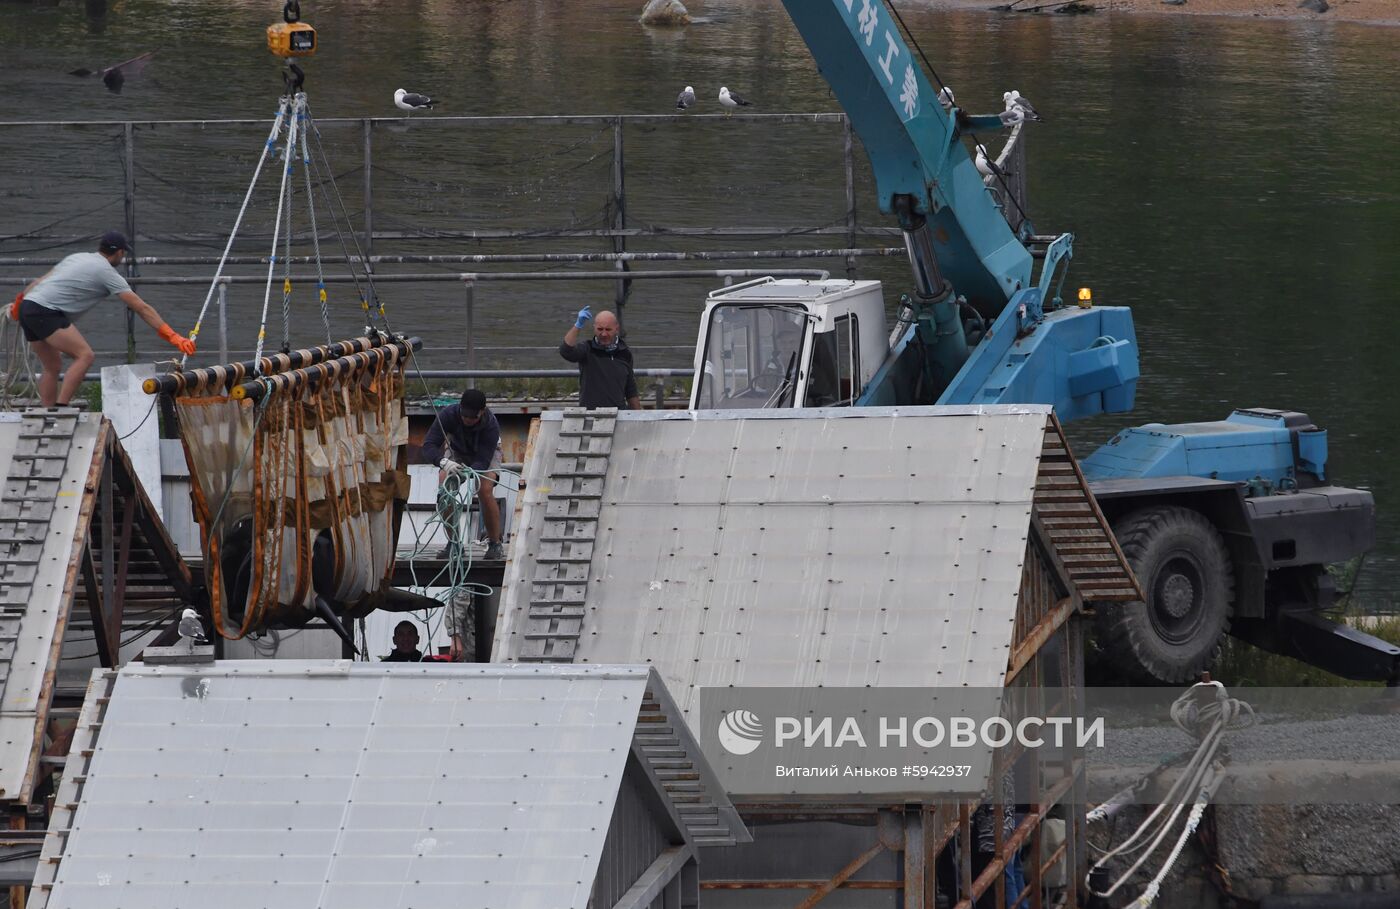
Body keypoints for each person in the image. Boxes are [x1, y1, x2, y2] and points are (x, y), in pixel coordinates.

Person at [8, 231, 195, 407]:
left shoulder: (77, 257)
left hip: (29, 305)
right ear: (120, 252)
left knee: (52, 366)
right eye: (123, 254)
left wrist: (18, 303)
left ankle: (46, 413)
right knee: (85, 356)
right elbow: (142, 308)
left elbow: (40, 281)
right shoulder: (107, 272)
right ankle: (60, 408)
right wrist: (173, 337)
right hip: (46, 311)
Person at [420, 388, 503, 663]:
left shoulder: (490, 424)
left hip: (483, 456)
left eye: (472, 417)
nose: (467, 420)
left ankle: (495, 542)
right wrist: (443, 461)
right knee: (445, 489)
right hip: (455, 453)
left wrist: (472, 470)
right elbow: (428, 446)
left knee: (485, 490)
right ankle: (453, 540)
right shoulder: (448, 415)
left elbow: (482, 460)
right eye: (464, 415)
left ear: (481, 413)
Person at [559, 305, 641, 410]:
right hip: (590, 414)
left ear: (617, 329)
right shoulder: (587, 349)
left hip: (618, 414)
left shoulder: (625, 353)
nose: (604, 333)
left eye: (608, 329)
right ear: (594, 328)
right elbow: (566, 351)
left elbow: (630, 389)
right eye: (600, 329)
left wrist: (637, 415)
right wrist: (578, 325)